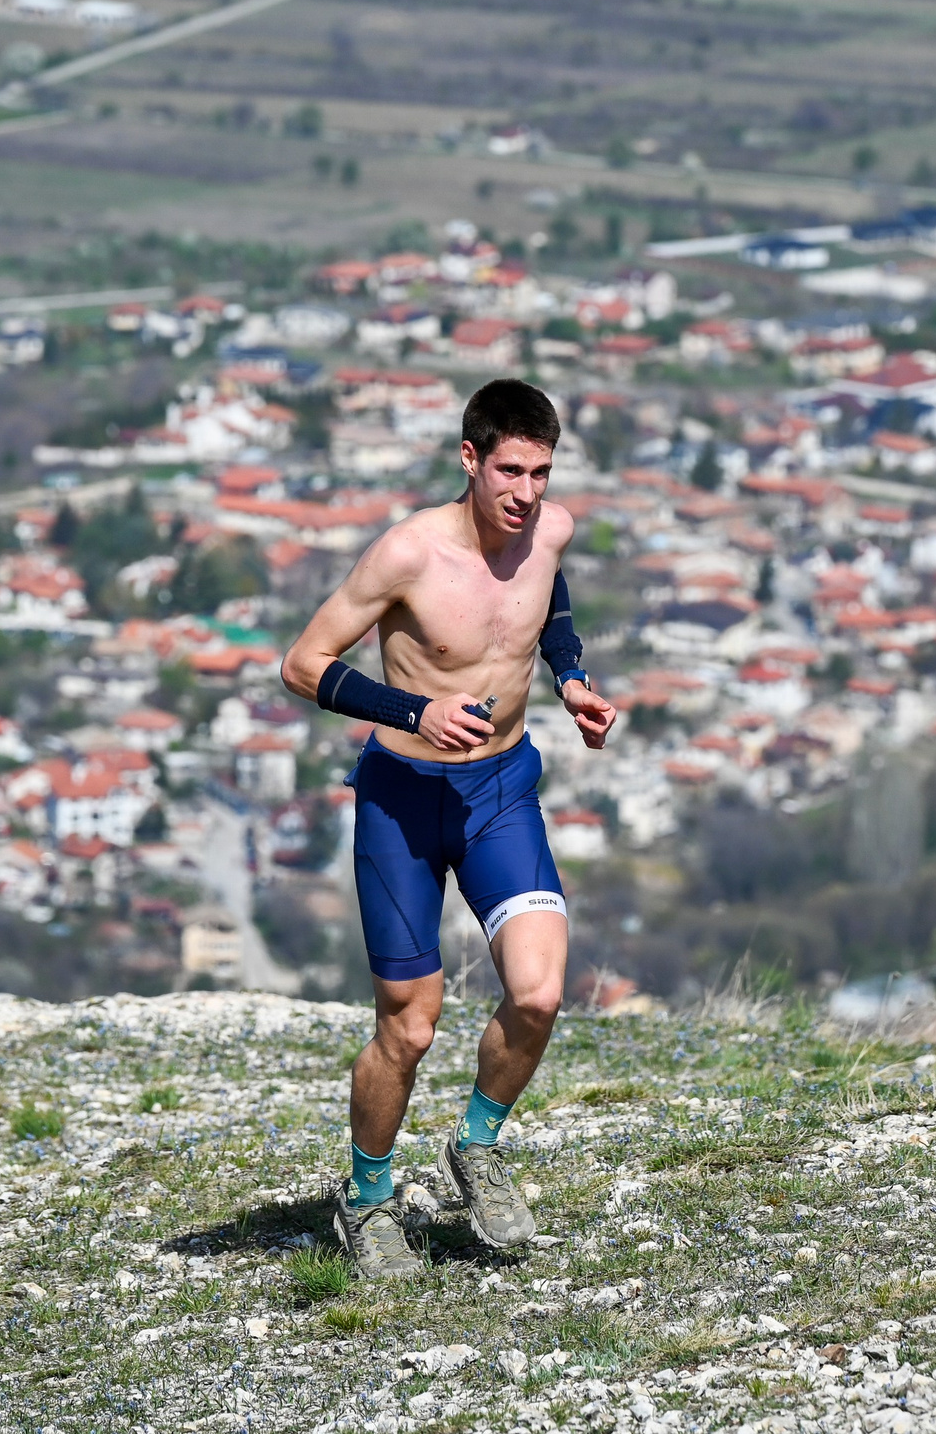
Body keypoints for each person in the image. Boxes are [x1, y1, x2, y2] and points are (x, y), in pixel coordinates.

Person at [280, 378, 618, 1277]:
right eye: (510, 469)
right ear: (470, 458)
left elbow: (549, 600)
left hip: (502, 788)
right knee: (410, 1025)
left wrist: (572, 677)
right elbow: (301, 664)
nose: (527, 492)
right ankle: (365, 1195)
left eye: (542, 471)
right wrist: (414, 709)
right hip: (403, 797)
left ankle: (476, 1146)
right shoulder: (407, 554)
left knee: (540, 993)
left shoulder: (551, 527)